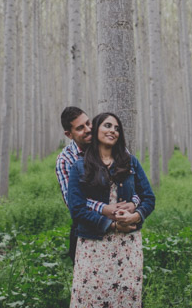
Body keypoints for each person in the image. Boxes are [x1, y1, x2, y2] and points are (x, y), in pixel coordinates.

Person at [66, 112, 155, 308]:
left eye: (116, 128)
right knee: (90, 298)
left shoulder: (131, 162)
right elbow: (77, 209)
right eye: (107, 125)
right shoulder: (79, 166)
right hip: (93, 245)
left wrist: (135, 216)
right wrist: (112, 225)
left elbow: (149, 198)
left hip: (127, 246)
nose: (112, 131)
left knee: (125, 298)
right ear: (96, 129)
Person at [55, 107, 138, 262]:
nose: (88, 129)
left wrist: (133, 204)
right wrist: (105, 209)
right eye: (80, 128)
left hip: (124, 226)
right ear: (69, 134)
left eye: (88, 123)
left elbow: (137, 187)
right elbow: (72, 203)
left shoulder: (117, 149)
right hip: (88, 230)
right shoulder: (65, 160)